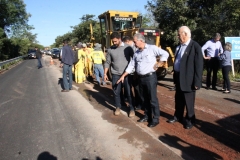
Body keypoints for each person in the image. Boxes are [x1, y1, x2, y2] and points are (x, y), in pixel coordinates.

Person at [117, 33, 169, 128]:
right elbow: (131, 65)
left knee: (153, 99)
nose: (134, 43)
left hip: (150, 78)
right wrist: (123, 75)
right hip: (141, 79)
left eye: (135, 41)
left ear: (141, 41)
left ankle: (155, 118)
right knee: (144, 99)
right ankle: (147, 116)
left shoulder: (151, 48)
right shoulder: (137, 52)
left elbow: (165, 53)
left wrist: (159, 63)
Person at [166, 26, 203, 129]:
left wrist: (197, 81)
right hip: (179, 77)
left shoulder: (195, 46)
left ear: (185, 34)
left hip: (189, 79)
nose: (178, 36)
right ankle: (177, 116)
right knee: (178, 99)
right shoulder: (179, 46)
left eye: (179, 34)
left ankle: (190, 120)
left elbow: (199, 66)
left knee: (189, 101)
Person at [104, 32, 135, 118]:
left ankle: (132, 109)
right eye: (113, 41)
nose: (114, 43)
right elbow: (107, 62)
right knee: (116, 92)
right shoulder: (110, 49)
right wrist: (105, 73)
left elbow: (134, 60)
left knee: (128, 92)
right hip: (115, 74)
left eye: (115, 41)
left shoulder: (128, 48)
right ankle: (118, 107)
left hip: (127, 75)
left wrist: (134, 71)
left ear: (120, 39)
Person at [122, 36, 142, 110]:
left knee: (137, 89)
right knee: (129, 87)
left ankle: (139, 104)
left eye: (124, 43)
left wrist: (136, 72)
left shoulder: (135, 48)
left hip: (135, 73)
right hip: (130, 72)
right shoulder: (129, 48)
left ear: (127, 42)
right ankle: (133, 102)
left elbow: (136, 61)